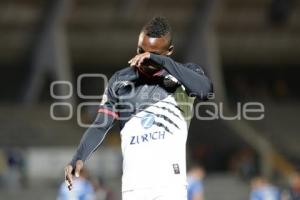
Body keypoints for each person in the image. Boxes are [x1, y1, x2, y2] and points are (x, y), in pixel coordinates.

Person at [64, 16, 213, 200]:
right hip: (134, 186)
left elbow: (206, 91)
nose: (143, 58)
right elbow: (100, 125)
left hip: (170, 185)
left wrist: (161, 62)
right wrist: (79, 157)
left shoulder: (184, 76)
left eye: (152, 55)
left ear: (169, 51)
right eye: (140, 50)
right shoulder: (120, 80)